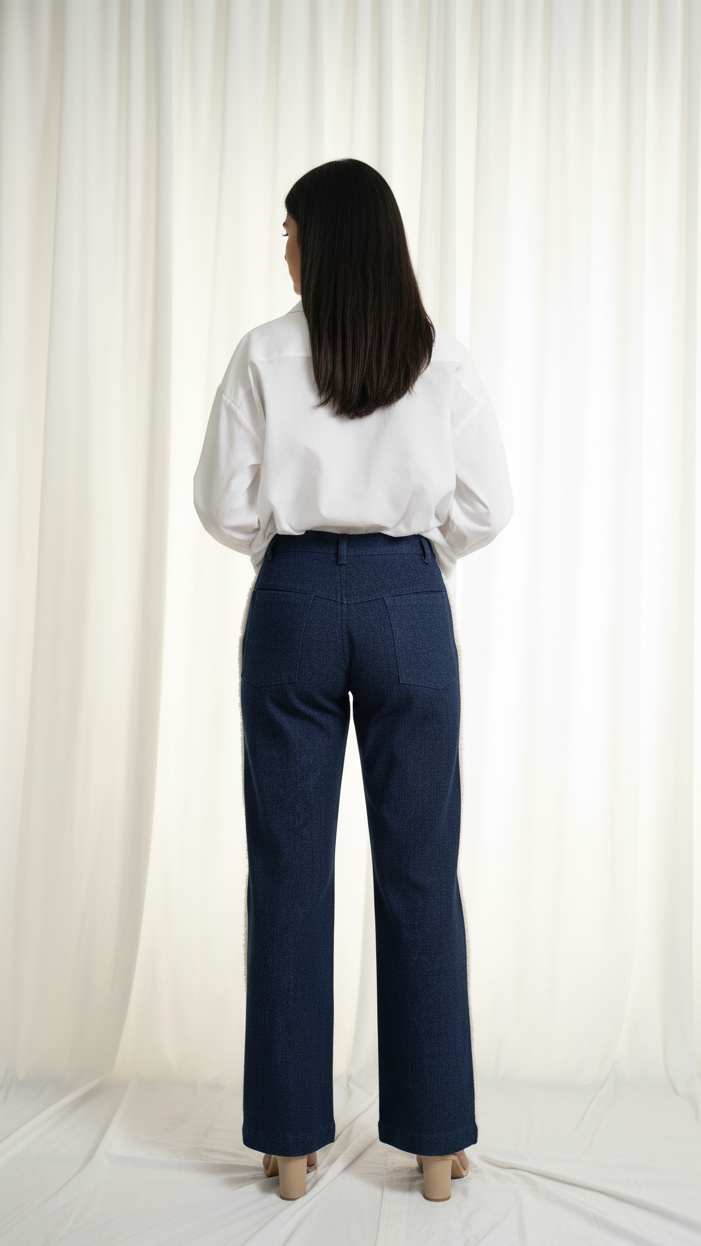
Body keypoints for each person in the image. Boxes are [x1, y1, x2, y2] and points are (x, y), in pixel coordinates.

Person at [193, 158, 513, 1203]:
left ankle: (289, 1145)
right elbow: (485, 504)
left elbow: (223, 504)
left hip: (291, 607)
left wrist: (292, 559)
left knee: (287, 872)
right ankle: (433, 1147)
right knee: (419, 871)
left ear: (325, 239)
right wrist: (413, 562)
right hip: (407, 609)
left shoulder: (262, 354)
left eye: (286, 229)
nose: (279, 246)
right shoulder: (438, 357)